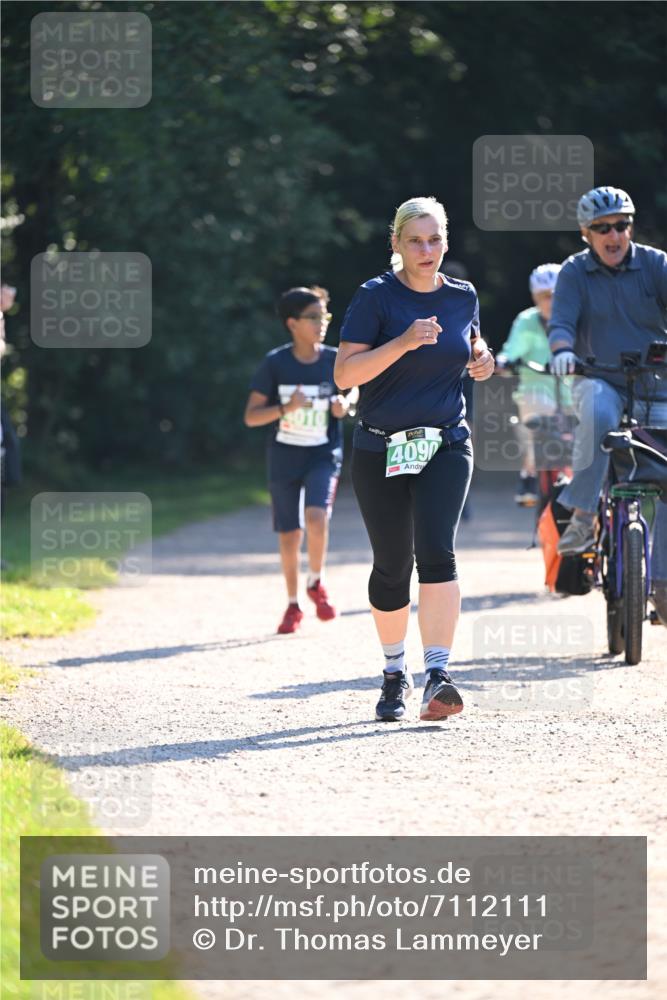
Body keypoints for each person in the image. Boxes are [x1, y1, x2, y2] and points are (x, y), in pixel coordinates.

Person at [334, 196, 494, 722]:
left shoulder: (463, 295)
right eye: (415, 241)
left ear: (446, 241)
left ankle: (438, 675)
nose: (427, 250)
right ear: (397, 245)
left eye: (435, 239)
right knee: (392, 566)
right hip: (380, 446)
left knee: (437, 551)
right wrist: (402, 343)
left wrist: (481, 358)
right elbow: (345, 376)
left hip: (447, 442)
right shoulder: (375, 297)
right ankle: (392, 671)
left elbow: (470, 340)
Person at [548, 185, 667, 624]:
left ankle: (664, 583)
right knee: (597, 413)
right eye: (602, 228)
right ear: (586, 233)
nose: (613, 234)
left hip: (659, 385)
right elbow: (561, 322)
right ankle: (582, 515)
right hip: (601, 380)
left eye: (620, 224)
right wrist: (562, 350)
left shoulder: (656, 264)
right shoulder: (574, 272)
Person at [244, 286, 357, 634]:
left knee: (317, 517)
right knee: (290, 534)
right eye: (312, 317)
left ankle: (316, 582)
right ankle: (293, 604)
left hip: (323, 453)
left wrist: (346, 405)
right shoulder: (275, 363)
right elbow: (251, 416)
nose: (321, 323)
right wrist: (285, 409)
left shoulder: (334, 359)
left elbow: (353, 388)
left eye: (324, 315)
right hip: (284, 456)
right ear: (292, 323)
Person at [496, 264, 567, 505]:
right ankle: (530, 471)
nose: (551, 301)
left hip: (571, 394)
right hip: (536, 392)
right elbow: (513, 349)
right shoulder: (527, 321)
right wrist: (505, 361)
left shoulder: (575, 319)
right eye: (545, 296)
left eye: (556, 295)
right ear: (536, 297)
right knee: (534, 417)